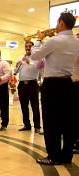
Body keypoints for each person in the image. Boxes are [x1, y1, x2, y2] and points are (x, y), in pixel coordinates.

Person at [29, 12, 79, 165]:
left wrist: (39, 39)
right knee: (69, 121)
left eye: (57, 23)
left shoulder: (54, 40)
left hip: (52, 85)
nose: (56, 26)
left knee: (51, 121)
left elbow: (35, 56)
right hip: (72, 84)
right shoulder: (77, 42)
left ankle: (54, 155)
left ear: (62, 23)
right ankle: (67, 156)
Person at [14, 41, 42, 133]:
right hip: (22, 84)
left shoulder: (36, 57)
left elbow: (38, 68)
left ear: (33, 47)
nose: (28, 48)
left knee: (35, 106)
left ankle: (37, 126)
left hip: (32, 84)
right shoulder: (20, 57)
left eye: (30, 46)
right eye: (26, 46)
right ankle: (27, 125)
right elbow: (15, 71)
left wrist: (29, 62)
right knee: (23, 106)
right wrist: (17, 65)